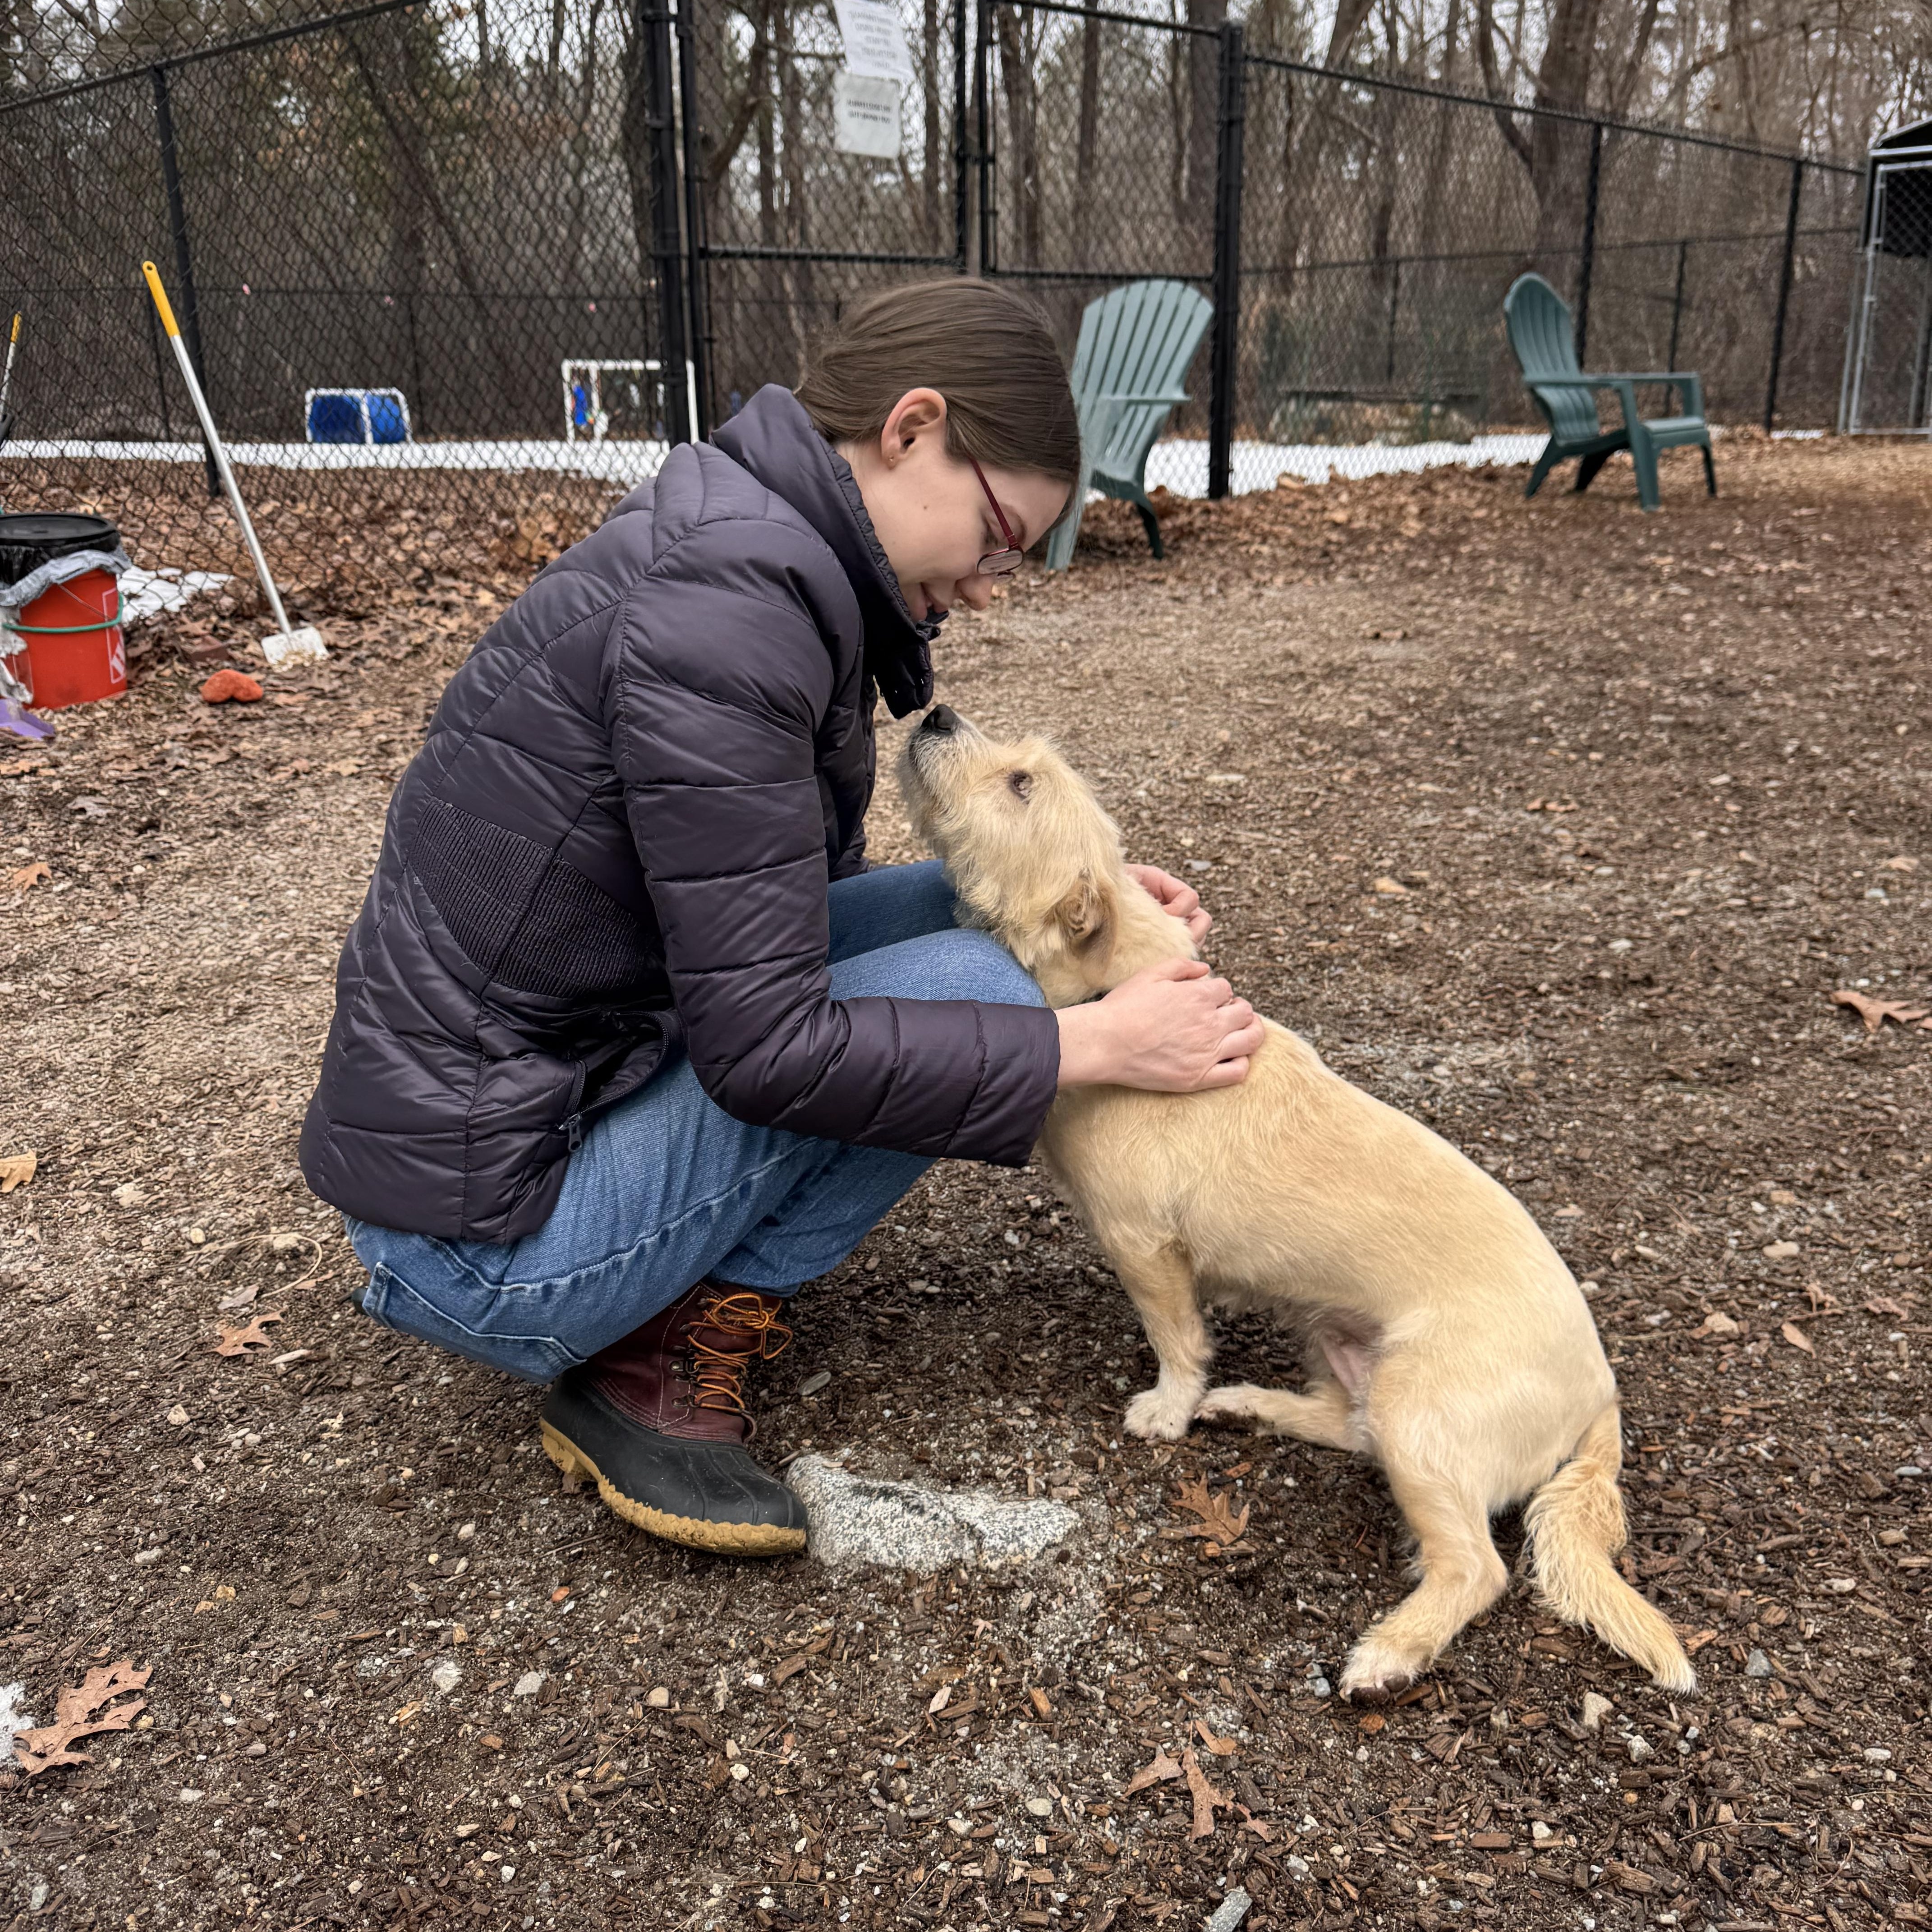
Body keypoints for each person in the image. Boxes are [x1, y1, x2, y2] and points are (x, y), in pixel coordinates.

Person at [300, 279, 1262, 1556]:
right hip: (482, 1240)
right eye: (997, 539)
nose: (989, 588)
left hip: (554, 1090)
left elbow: (766, 923)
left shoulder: (752, 554)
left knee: (989, 942)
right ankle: (642, 1347)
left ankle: (658, 1293)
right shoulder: (728, 615)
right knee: (984, 993)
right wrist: (1086, 1044)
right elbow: (765, 1044)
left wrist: (1074, 918)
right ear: (912, 429)